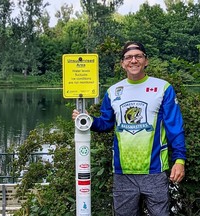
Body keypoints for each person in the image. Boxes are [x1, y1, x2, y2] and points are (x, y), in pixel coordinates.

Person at [72, 41, 186, 216]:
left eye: (138, 56)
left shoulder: (163, 88)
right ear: (122, 63)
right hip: (122, 172)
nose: (133, 60)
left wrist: (179, 160)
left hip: (154, 171)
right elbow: (106, 123)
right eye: (128, 57)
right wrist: (88, 120)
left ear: (146, 61)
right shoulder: (113, 91)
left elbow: (175, 127)